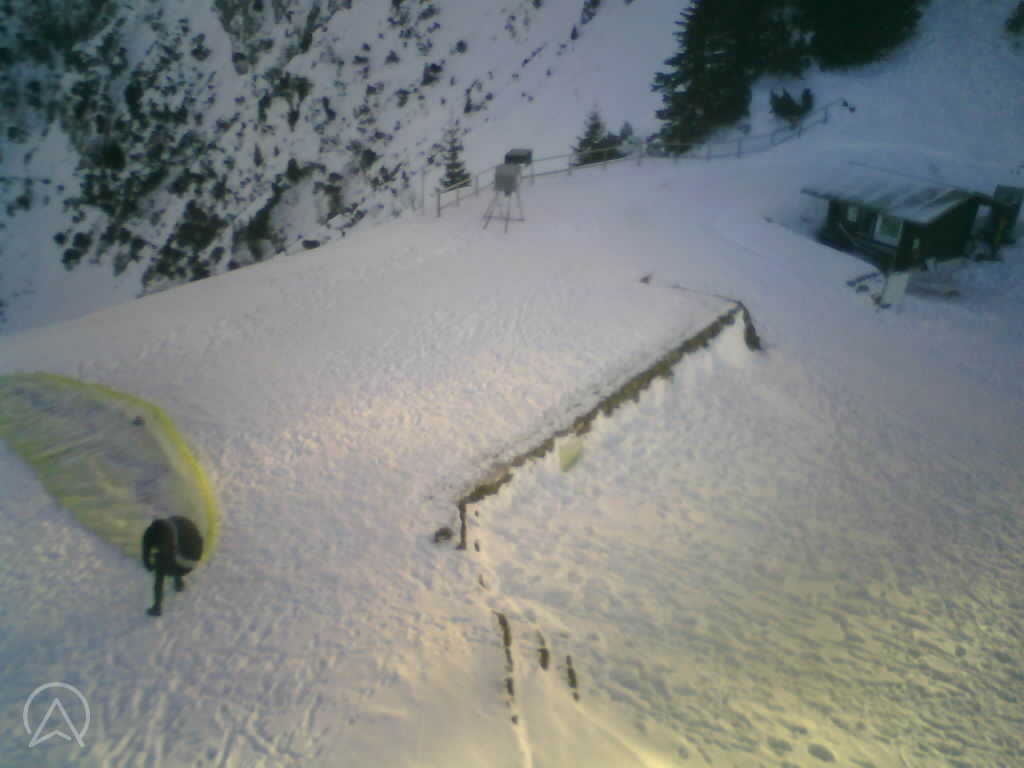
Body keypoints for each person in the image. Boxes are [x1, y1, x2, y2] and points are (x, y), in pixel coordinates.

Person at [142, 516, 203, 616]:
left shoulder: (164, 536)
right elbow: (146, 558)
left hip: (189, 552)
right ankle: (178, 583)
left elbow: (151, 559)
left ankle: (157, 607)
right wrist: (149, 562)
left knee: (161, 571)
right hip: (190, 551)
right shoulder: (153, 535)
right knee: (166, 561)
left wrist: (152, 563)